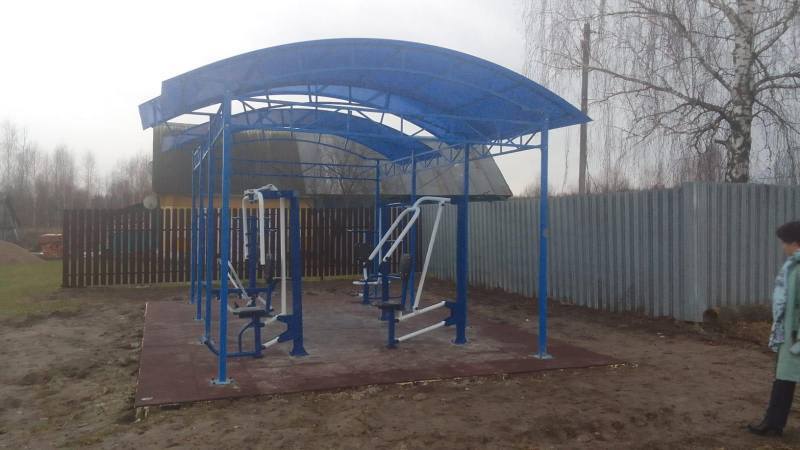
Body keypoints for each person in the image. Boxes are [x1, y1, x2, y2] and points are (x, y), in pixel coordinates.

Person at [749, 221, 800, 436]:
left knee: (784, 378)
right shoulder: (793, 265)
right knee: (783, 378)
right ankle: (773, 423)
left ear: (795, 242)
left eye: (784, 242)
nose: (783, 247)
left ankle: (773, 423)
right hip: (789, 333)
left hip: (795, 335)